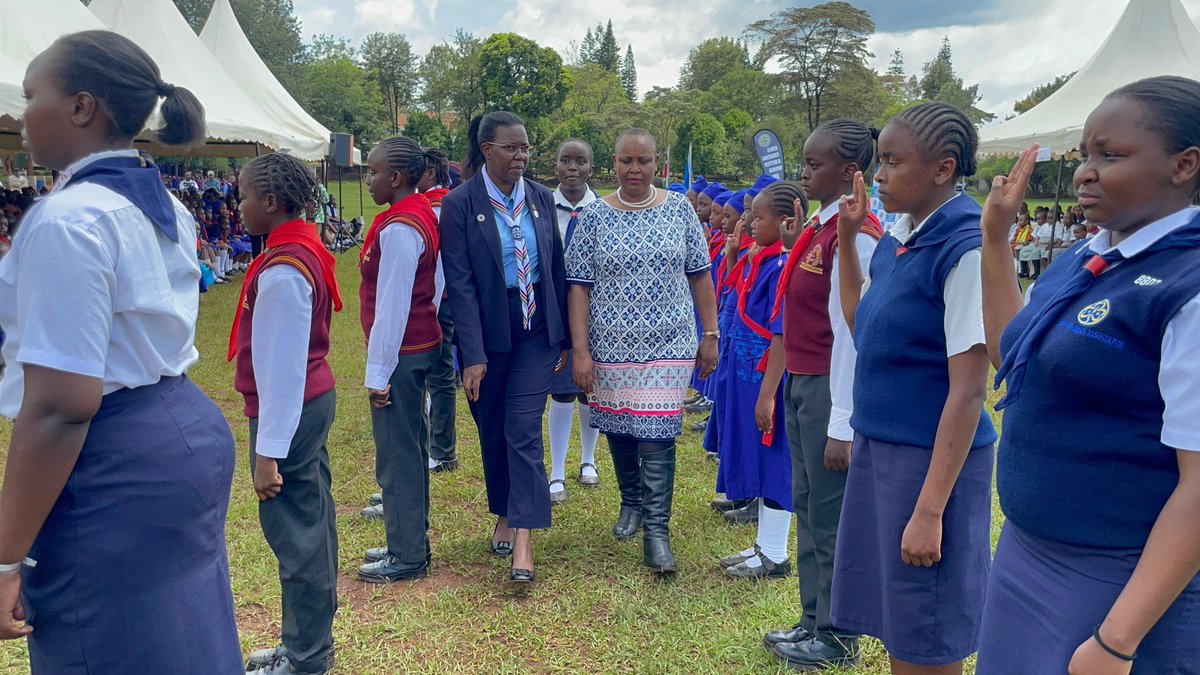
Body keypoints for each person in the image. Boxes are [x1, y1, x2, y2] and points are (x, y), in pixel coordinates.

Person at [0, 30, 241, 673]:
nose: (21, 117)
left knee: (101, 644)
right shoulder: (163, 203)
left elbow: (60, 407)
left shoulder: (68, 219)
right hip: (179, 430)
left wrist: (4, 560)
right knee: (179, 639)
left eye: (32, 97)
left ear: (82, 107)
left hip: (110, 460)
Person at [977, 76, 1200, 674]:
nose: (1085, 173)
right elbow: (1013, 356)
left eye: (1111, 155)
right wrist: (995, 239)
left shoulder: (1187, 286)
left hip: (1120, 578)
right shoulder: (1087, 255)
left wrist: (1116, 642)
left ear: (1184, 165)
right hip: (1026, 550)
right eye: (1084, 154)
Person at [831, 102, 996, 674]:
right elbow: (862, 326)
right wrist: (847, 241)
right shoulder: (900, 239)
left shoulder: (965, 249)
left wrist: (929, 511)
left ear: (943, 169)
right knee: (900, 620)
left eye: (892, 162)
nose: (878, 175)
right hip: (883, 451)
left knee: (927, 629)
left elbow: (969, 393)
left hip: (931, 464)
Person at [566, 128, 719, 575]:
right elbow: (578, 288)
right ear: (613, 163)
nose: (635, 169)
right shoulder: (593, 216)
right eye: (626, 161)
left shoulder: (679, 210)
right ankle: (630, 501)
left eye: (644, 161)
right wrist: (580, 351)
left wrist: (710, 333)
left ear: (657, 164)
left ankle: (657, 533)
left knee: (656, 434)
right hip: (609, 343)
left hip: (670, 341)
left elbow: (700, 275)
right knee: (620, 427)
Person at [766, 120, 884, 670]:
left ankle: (838, 634)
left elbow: (851, 334)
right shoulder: (822, 225)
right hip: (804, 381)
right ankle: (812, 618)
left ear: (849, 172)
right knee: (810, 507)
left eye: (815, 165)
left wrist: (842, 422)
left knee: (830, 516)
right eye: (804, 162)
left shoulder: (855, 234)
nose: (804, 172)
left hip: (828, 390)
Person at [441, 111, 570, 584]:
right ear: (487, 150)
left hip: (536, 330)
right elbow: (459, 283)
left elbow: (554, 267)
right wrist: (472, 355)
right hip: (489, 334)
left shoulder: (539, 197)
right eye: (511, 148)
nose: (521, 156)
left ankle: (524, 538)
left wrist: (566, 337)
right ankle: (504, 511)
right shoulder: (459, 203)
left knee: (522, 428)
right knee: (493, 428)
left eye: (525, 148)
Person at [230, 153, 343, 675]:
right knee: (311, 524)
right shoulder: (299, 248)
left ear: (271, 202)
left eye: (245, 197)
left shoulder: (282, 269)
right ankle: (305, 642)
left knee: (296, 535)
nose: (239, 206)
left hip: (291, 411)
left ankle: (306, 657)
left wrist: (267, 454)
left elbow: (281, 370)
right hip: (307, 402)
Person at [356, 137, 445, 584]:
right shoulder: (419, 212)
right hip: (418, 346)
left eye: (372, 172)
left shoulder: (400, 228)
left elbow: (392, 306)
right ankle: (409, 539)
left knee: (397, 456)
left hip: (402, 355)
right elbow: (436, 284)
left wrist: (378, 373)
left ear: (395, 177)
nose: (367, 180)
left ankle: (407, 553)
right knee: (411, 447)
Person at [714, 181, 804, 581]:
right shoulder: (760, 259)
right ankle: (763, 546)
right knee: (759, 460)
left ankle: (775, 554)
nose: (749, 221)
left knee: (775, 462)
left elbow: (781, 332)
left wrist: (767, 393)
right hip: (748, 375)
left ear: (784, 221)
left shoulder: (782, 266)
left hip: (767, 378)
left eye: (758, 216)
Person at [548, 139, 601, 504]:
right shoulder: (541, 206)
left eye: (580, 161)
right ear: (556, 166)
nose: (572, 168)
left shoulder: (603, 210)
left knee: (588, 387)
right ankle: (555, 471)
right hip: (555, 308)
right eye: (565, 160)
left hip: (595, 309)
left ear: (590, 169)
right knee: (561, 388)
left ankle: (588, 459)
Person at [418, 147, 459, 474]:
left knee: (441, 375)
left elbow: (441, 265)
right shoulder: (443, 203)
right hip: (443, 299)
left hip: (439, 299)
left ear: (431, 173)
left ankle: (443, 450)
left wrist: (431, 304)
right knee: (439, 373)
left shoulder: (437, 207)